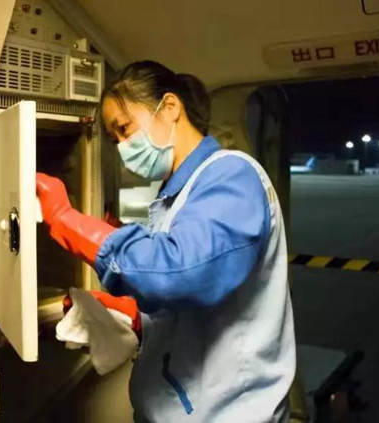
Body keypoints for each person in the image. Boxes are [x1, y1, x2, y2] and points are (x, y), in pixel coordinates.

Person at [36, 61, 295, 422]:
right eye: (114, 139)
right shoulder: (177, 197)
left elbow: (181, 273)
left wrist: (66, 220)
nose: (122, 147)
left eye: (124, 129)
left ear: (170, 107)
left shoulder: (232, 175)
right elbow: (197, 303)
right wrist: (136, 317)